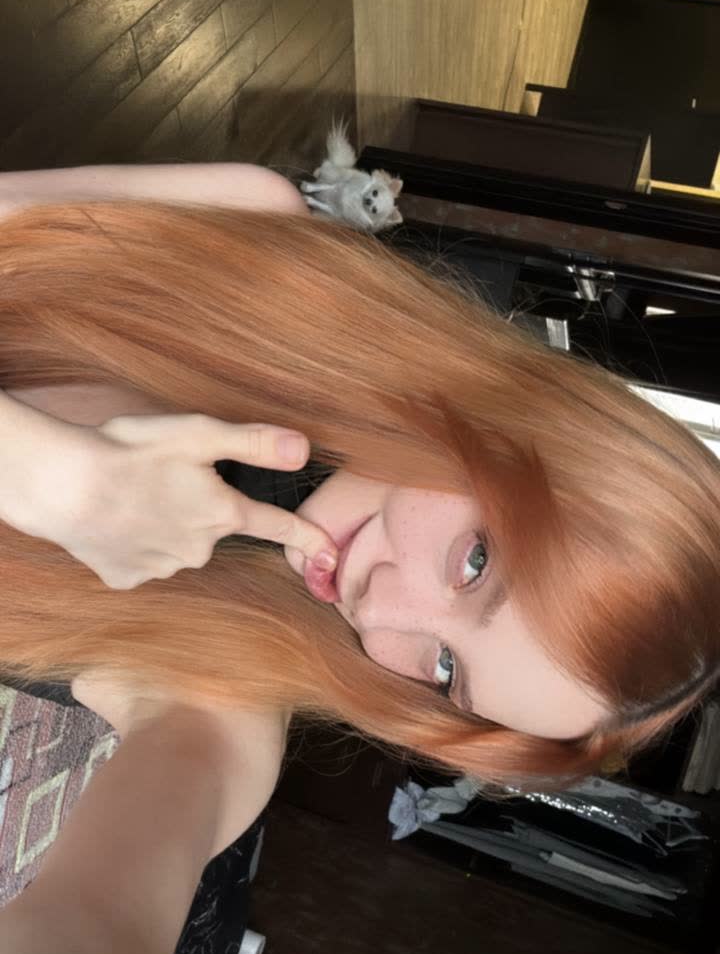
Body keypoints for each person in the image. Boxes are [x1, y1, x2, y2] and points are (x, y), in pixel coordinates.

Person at [0, 163, 718, 790]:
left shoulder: (224, 636)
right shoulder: (249, 222)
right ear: (526, 432)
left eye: (446, 669)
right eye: (474, 563)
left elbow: (193, 786)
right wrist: (44, 474)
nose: (378, 615)